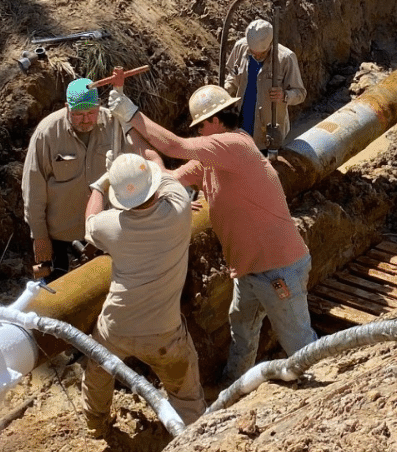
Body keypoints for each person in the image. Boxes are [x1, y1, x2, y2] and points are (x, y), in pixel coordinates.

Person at [109, 84, 317, 386]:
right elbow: (167, 175)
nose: (198, 134)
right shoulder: (212, 159)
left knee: (299, 343)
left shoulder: (233, 145)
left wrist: (132, 112)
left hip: (278, 267)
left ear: (215, 121)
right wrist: (129, 128)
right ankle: (233, 389)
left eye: (200, 126)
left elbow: (175, 146)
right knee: (242, 332)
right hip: (249, 270)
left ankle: (327, 394)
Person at [79, 153, 206, 436]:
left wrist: (100, 185)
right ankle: (194, 437)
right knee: (185, 392)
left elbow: (90, 221)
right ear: (154, 187)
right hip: (163, 332)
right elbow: (163, 173)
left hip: (116, 326)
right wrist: (149, 155)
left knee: (99, 370)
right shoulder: (180, 206)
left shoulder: (110, 225)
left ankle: (95, 424)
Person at [21, 77, 157, 281]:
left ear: (99, 106)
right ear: (67, 108)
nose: (85, 120)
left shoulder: (113, 125)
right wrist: (40, 238)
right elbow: (34, 191)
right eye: (78, 114)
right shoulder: (47, 134)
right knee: (58, 290)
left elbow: (135, 167)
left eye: (91, 113)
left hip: (103, 231)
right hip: (61, 236)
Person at [223, 19, 306, 153]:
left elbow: (300, 93)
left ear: (270, 45)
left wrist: (284, 95)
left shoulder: (286, 58)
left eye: (261, 53)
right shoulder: (240, 47)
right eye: (253, 52)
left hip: (269, 135)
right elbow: (233, 75)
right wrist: (225, 89)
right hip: (241, 126)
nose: (256, 55)